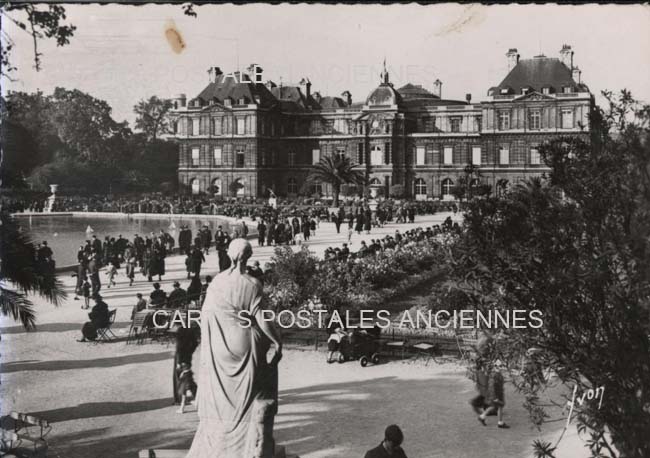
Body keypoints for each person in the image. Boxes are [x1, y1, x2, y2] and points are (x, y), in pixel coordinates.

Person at [186, 239, 282, 458]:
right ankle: (247, 446)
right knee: (250, 397)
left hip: (220, 346)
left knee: (222, 397)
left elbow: (206, 317)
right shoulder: (252, 284)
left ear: (229, 256)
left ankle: (221, 442)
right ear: (247, 257)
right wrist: (278, 341)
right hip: (245, 344)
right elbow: (262, 318)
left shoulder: (217, 282)